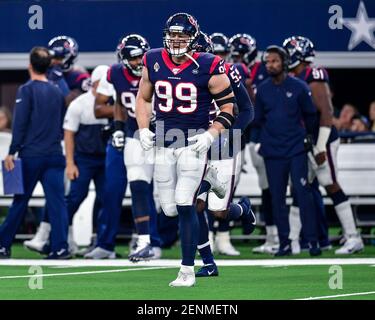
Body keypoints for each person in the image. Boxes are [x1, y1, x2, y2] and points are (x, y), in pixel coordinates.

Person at [136, 13, 235, 287]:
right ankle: (209, 181)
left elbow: (229, 107)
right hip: (163, 142)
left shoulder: (209, 64)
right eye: (173, 34)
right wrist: (143, 127)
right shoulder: (152, 59)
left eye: (182, 35)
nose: (176, 40)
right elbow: (143, 99)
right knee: (168, 210)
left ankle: (187, 270)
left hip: (193, 142)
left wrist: (211, 134)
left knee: (183, 203)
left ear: (193, 38)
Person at [284, 36, 364, 254]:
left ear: (299, 54)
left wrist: (319, 147)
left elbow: (327, 114)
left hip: (323, 139)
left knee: (330, 184)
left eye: (289, 52)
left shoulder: (313, 74)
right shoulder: (293, 77)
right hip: (307, 140)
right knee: (299, 187)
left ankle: (353, 237)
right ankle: (291, 241)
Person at [86, 34, 161, 261]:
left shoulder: (157, 69)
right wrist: (118, 127)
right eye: (134, 58)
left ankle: (151, 241)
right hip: (128, 134)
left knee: (145, 190)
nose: (139, 63)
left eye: (141, 57)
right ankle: (106, 244)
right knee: (111, 190)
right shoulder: (115, 73)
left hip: (156, 134)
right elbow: (117, 101)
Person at [194, 32, 256, 277]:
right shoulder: (175, 73)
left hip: (223, 145)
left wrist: (230, 135)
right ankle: (208, 263)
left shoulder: (226, 70)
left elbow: (248, 109)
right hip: (194, 146)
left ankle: (241, 210)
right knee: (194, 205)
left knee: (218, 210)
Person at [0, 47, 69, 259]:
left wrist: (12, 151)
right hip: (55, 155)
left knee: (20, 201)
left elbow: (20, 123)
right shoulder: (58, 91)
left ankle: (3, 246)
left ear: (30, 65)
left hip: (32, 155)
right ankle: (60, 248)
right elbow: (61, 124)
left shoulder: (26, 90)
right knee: (57, 204)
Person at [254, 45, 321, 257]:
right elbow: (257, 119)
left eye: (274, 60)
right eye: (267, 61)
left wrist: (311, 138)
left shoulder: (300, 87)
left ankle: (312, 242)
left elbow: (311, 115)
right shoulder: (262, 89)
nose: (270, 64)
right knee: (277, 199)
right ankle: (284, 244)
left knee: (303, 195)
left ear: (284, 62)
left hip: (296, 149)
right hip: (272, 152)